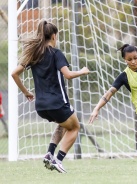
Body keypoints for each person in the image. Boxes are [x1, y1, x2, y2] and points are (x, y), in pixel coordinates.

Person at [11, 20, 89, 173]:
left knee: (63, 124)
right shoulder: (56, 53)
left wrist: (26, 92)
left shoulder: (34, 54)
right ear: (54, 36)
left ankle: (49, 153)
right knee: (75, 127)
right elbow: (68, 75)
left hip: (40, 106)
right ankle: (58, 160)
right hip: (57, 102)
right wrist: (83, 71)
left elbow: (14, 74)